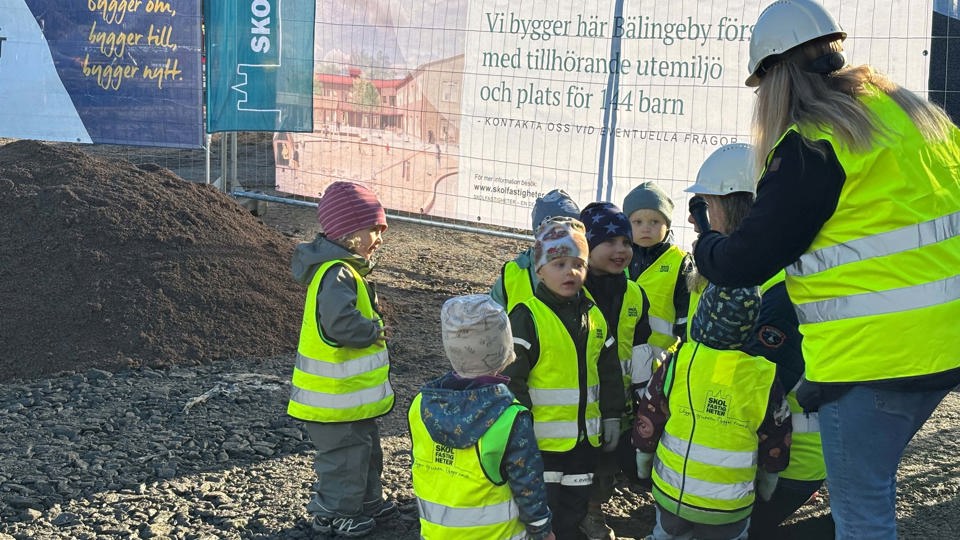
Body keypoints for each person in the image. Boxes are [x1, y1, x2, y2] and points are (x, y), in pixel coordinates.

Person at [691, 1, 960, 538]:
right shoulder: (910, 115)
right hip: (944, 346)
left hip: (872, 361)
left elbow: (747, 260)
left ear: (773, 77)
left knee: (863, 515)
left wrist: (706, 243)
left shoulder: (815, 143)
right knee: (874, 488)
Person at [686, 143, 827, 537]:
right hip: (745, 445)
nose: (700, 221)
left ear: (732, 207)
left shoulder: (780, 290)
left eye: (706, 207)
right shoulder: (731, 273)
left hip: (784, 459)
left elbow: (750, 385)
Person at [502, 217, 624, 540]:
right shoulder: (526, 317)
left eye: (577, 264)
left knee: (574, 509)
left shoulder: (595, 316)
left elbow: (609, 372)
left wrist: (613, 415)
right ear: (539, 269)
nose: (570, 272)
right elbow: (513, 378)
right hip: (541, 444)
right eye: (558, 263)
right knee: (541, 510)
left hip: (584, 443)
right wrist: (519, 426)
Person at [288, 181, 398, 537]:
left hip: (347, 399)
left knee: (362, 451)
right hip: (334, 399)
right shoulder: (337, 273)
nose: (379, 237)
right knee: (343, 460)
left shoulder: (344, 271)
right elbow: (339, 323)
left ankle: (365, 502)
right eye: (373, 229)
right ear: (350, 233)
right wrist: (370, 330)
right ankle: (333, 512)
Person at [408, 294, 556, 540]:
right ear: (505, 351)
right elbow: (527, 484)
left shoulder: (420, 405)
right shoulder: (510, 416)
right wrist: (542, 529)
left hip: (437, 533)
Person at [577, 202, 657, 540]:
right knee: (576, 465)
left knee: (606, 468)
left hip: (619, 403)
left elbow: (641, 349)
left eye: (625, 242)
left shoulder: (636, 294)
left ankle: (593, 514)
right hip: (577, 404)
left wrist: (642, 398)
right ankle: (569, 515)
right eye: (609, 242)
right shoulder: (572, 291)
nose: (621, 250)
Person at [622, 182, 693, 359]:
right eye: (637, 222)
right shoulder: (618, 258)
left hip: (661, 360)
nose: (646, 228)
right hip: (620, 358)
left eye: (655, 221)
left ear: (667, 225)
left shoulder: (680, 262)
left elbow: (686, 318)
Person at [490, 189, 581, 310]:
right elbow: (490, 316)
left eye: (574, 231)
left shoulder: (586, 271)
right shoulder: (514, 275)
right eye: (557, 232)